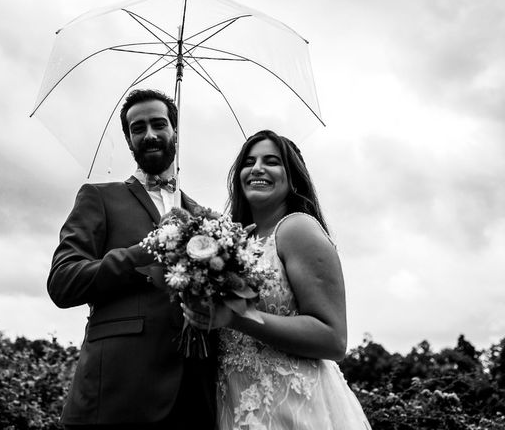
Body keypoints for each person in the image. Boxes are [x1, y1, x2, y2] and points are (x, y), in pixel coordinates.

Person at [48, 89, 216, 430]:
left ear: (175, 133)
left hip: (193, 396)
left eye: (159, 124)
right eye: (138, 128)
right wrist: (146, 251)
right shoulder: (98, 197)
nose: (150, 134)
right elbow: (63, 281)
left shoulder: (205, 217)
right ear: (128, 139)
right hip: (116, 393)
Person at [183, 129, 371, 429]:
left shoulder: (297, 229)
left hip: (293, 409)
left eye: (271, 161)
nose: (257, 168)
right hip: (234, 406)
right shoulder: (234, 244)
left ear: (292, 177)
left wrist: (235, 318)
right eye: (249, 161)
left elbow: (333, 339)